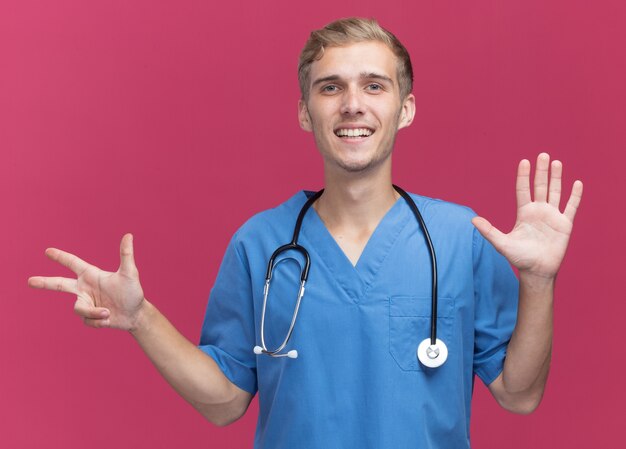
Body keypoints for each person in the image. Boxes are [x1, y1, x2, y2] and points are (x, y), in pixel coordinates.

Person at [28, 17, 583, 449]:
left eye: (374, 85)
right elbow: (224, 402)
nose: (352, 105)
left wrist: (538, 281)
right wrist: (141, 319)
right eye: (330, 87)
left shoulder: (461, 238)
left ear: (405, 108)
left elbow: (519, 395)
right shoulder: (261, 243)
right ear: (304, 112)